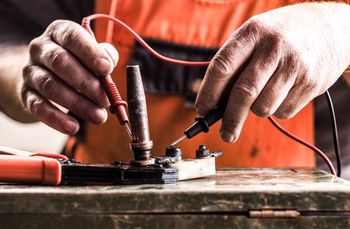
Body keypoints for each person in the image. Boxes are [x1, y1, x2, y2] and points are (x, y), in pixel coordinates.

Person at [0, 0, 349, 174]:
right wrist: (30, 76)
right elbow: (9, 38)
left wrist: (338, 27)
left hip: (286, 222)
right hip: (99, 221)